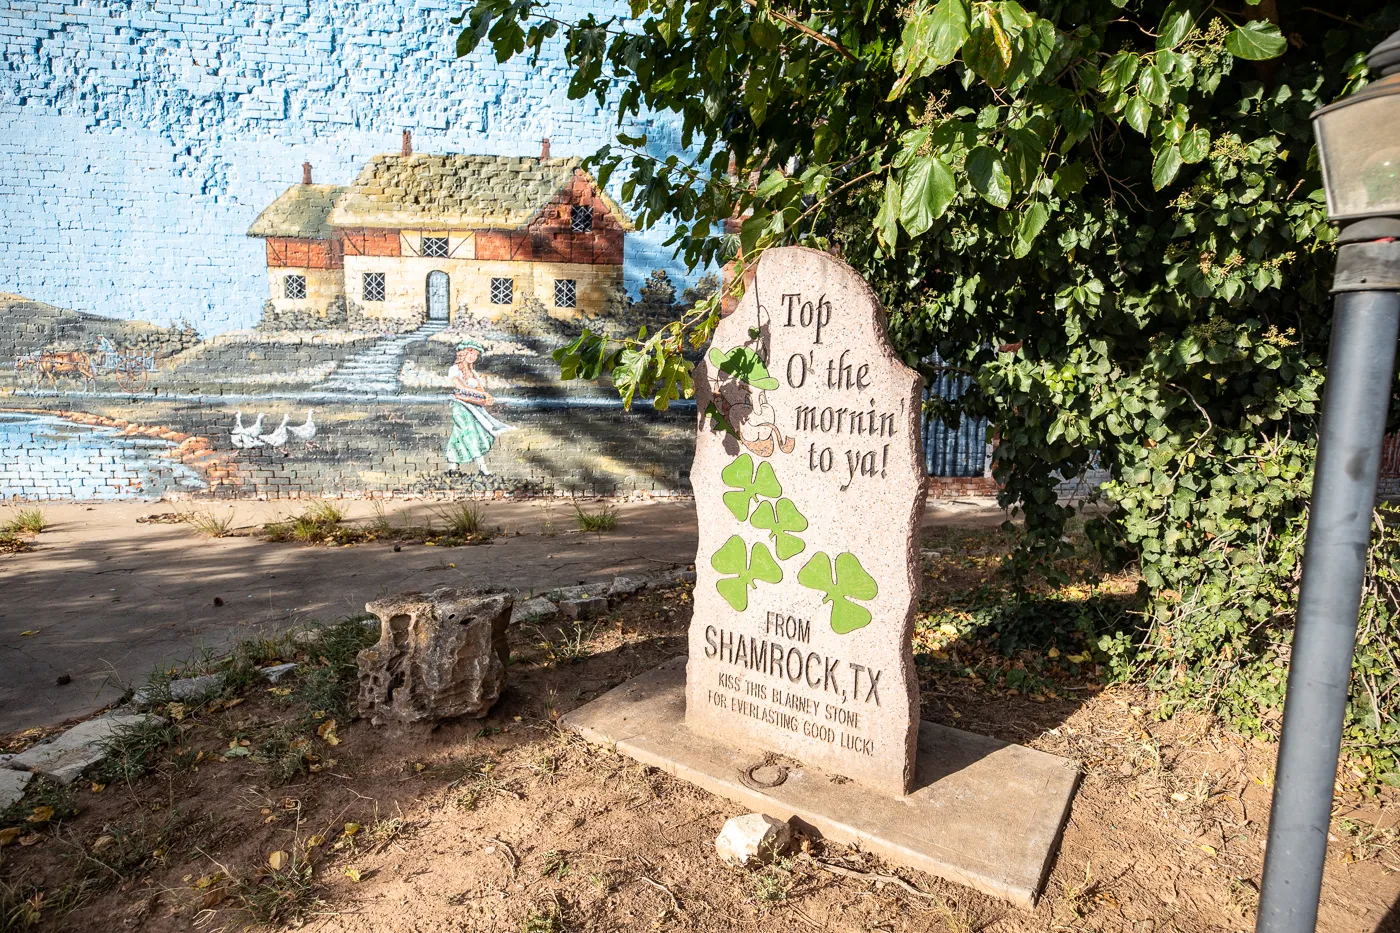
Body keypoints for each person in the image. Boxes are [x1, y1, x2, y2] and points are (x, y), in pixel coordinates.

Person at [445, 339, 513, 475]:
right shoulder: (454, 370)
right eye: (470, 352)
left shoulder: (474, 374)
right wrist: (483, 394)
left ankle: (453, 468)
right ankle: (482, 468)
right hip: (461, 407)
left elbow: (480, 391)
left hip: (474, 407)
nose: (472, 356)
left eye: (475, 354)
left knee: (460, 435)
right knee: (470, 434)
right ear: (463, 353)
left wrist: (485, 398)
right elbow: (461, 387)